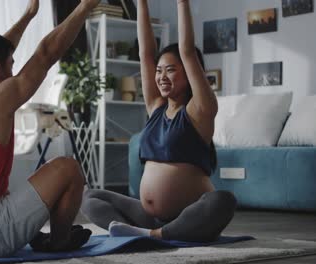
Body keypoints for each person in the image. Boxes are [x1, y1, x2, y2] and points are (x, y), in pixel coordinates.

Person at [0, 0, 100, 257]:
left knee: (15, 188)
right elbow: (46, 54)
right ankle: (58, 243)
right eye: (11, 64)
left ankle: (43, 235)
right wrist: (84, 7)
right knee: (69, 169)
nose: (14, 71)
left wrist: (28, 16)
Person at [81, 0, 237, 242]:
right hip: (147, 215)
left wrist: (182, 3)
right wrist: (141, 3)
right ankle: (143, 232)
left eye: (171, 70)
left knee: (223, 201)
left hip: (188, 215)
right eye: (159, 71)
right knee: (90, 198)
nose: (162, 77)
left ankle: (156, 235)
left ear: (190, 72)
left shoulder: (200, 110)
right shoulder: (156, 107)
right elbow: (145, 53)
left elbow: (186, 50)